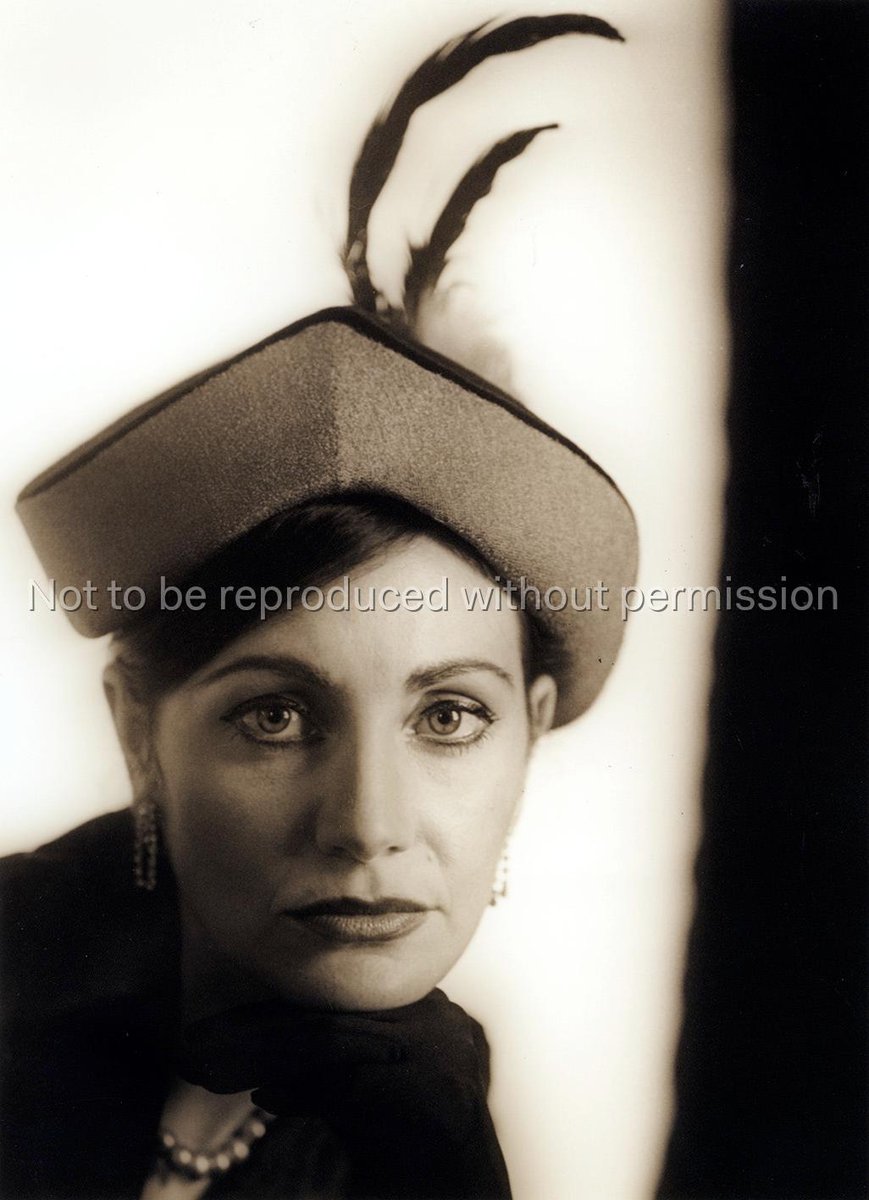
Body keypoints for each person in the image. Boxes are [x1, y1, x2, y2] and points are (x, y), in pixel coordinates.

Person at [2, 16, 635, 1200]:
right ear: (138, 735)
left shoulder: (422, 1100)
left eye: (448, 716)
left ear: (532, 731)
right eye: (276, 717)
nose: (366, 827)